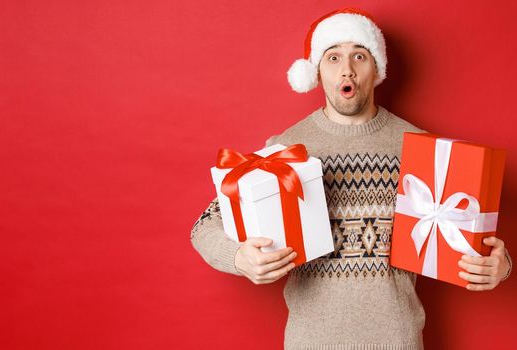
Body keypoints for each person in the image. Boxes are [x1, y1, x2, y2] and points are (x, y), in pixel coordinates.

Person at [190, 7, 513, 350]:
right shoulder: (284, 150)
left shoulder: (422, 149)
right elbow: (204, 227)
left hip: (397, 341)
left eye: (359, 55)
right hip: (311, 343)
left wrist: (500, 266)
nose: (347, 69)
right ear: (316, 71)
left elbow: (471, 244)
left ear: (376, 68)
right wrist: (239, 257)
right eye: (333, 58)